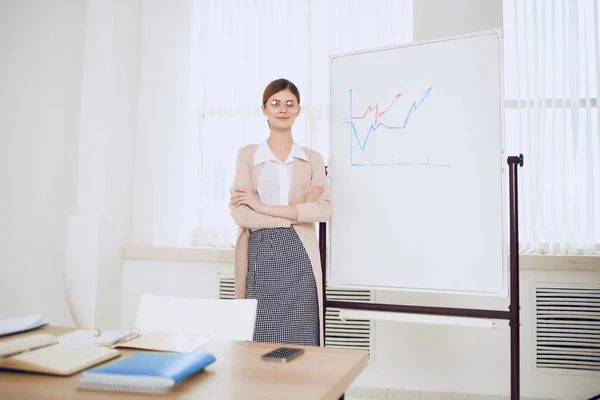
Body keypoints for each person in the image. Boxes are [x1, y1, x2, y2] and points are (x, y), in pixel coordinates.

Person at [229, 78, 332, 347]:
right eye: (275, 103)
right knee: (260, 337)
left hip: (302, 255)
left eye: (290, 104)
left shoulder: (313, 158)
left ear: (299, 110)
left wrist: (261, 206)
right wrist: (295, 215)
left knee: (303, 341)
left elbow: (324, 209)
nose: (282, 109)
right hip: (261, 252)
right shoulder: (248, 155)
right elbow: (241, 214)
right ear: (264, 109)